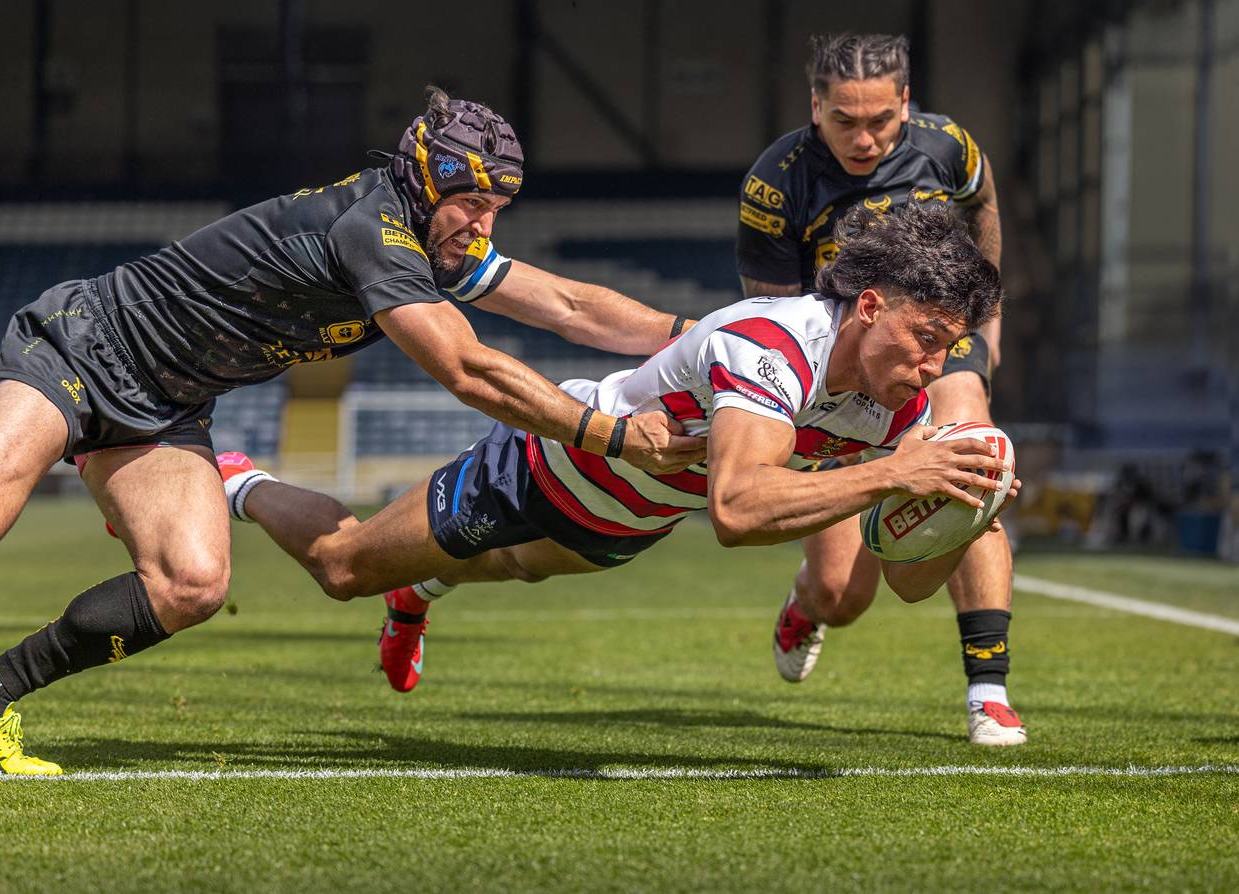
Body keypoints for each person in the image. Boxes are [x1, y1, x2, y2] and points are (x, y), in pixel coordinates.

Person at [0, 87, 705, 782]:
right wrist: (611, 434)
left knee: (193, 585)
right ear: (424, 178)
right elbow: (468, 371)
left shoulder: (439, 240)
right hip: (84, 345)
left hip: (169, 409)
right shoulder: (377, 231)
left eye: (498, 207)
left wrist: (699, 339)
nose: (485, 223)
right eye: (473, 203)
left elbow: (574, 306)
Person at [219, 204, 1016, 714]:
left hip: (631, 522)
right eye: (925, 340)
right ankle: (239, 480)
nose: (932, 367)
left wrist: (957, 511)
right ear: (871, 307)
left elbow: (905, 576)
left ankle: (419, 594)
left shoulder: (897, 405)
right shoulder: (773, 346)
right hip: (545, 465)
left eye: (948, 349)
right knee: (344, 567)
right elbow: (738, 512)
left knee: (505, 569)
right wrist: (891, 475)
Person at [734, 33, 1022, 745]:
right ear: (816, 106)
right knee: (842, 594)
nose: (863, 139)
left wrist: (983, 323)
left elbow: (983, 204)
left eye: (880, 121)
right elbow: (771, 317)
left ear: (905, 101)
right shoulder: (778, 181)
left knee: (971, 447)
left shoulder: (947, 144)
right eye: (843, 122)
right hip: (837, 376)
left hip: (933, 344)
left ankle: (989, 688)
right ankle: (805, 606)